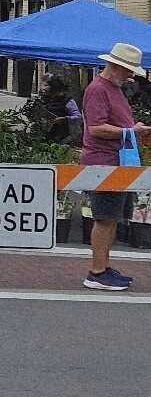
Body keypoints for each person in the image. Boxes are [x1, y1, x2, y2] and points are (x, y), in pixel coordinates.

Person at [81, 43, 150, 290]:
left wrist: (132, 130)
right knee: (105, 218)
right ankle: (97, 271)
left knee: (111, 218)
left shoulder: (111, 89)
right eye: (128, 69)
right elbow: (95, 128)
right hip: (103, 162)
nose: (131, 75)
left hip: (116, 161)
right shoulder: (98, 89)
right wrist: (130, 131)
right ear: (115, 65)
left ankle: (103, 266)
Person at [38, 73, 81, 144]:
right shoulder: (40, 99)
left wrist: (65, 119)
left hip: (61, 139)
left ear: (54, 87)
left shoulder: (67, 101)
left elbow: (78, 117)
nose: (43, 88)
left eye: (46, 85)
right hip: (41, 138)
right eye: (42, 85)